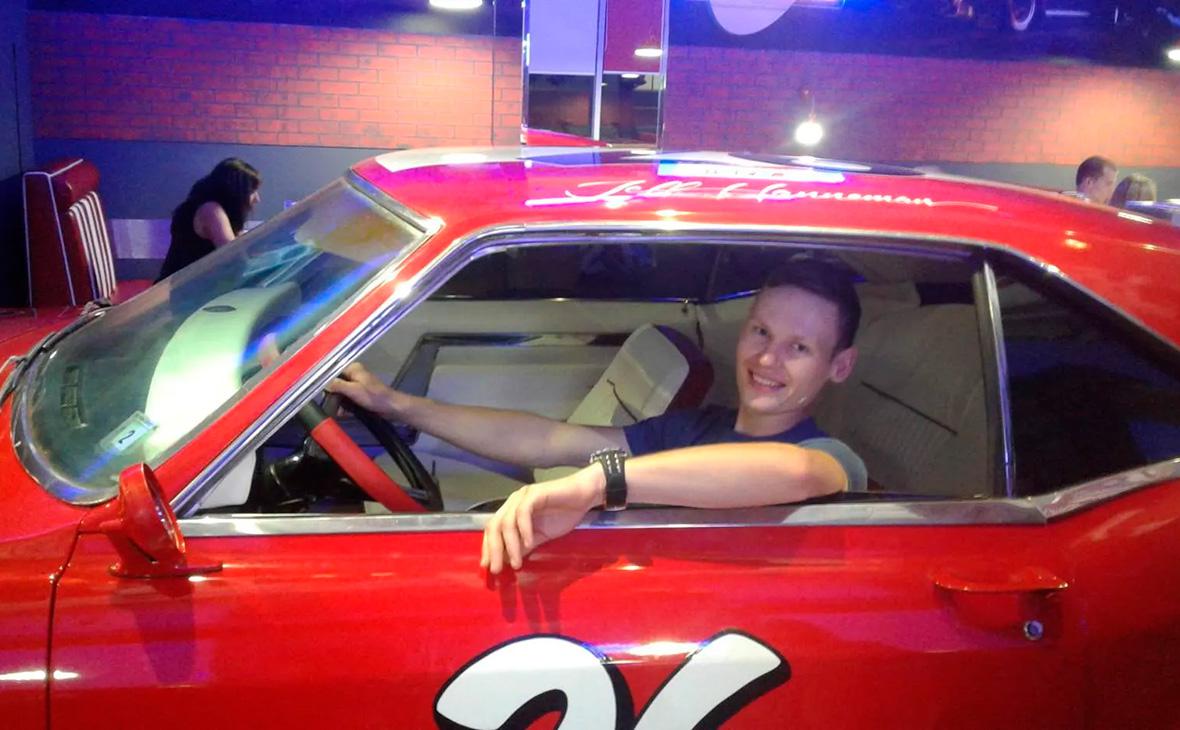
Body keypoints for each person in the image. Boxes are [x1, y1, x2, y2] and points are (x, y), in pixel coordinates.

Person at [329, 258, 867, 574]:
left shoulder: (830, 458)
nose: (767, 359)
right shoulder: (696, 427)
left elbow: (798, 473)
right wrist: (398, 405)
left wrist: (595, 483)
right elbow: (548, 440)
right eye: (761, 332)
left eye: (799, 348)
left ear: (839, 366)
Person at [158, 158, 262, 280]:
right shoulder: (211, 210)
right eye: (252, 191)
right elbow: (235, 259)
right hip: (187, 289)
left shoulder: (204, 206)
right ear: (236, 191)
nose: (257, 199)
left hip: (186, 287)